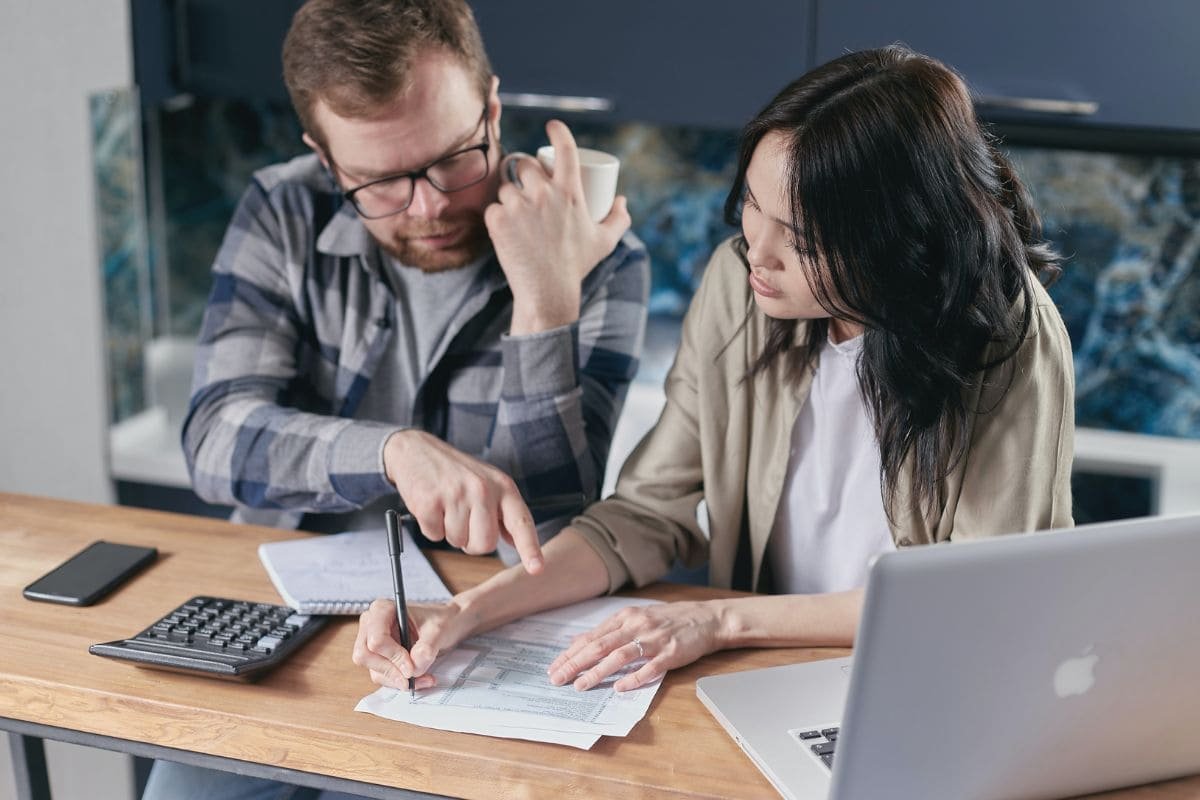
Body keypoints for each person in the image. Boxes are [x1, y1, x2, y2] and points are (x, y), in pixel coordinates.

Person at [353, 44, 1075, 697]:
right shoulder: (740, 286)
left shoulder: (1008, 336)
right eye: (753, 210)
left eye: (800, 240)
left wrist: (721, 622)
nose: (755, 253)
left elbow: (971, 599)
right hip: (763, 677)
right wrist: (467, 612)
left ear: (896, 239)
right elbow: (642, 514)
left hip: (926, 684)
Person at [181, 0, 650, 573]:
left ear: (493, 112)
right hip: (288, 588)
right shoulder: (285, 211)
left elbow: (551, 542)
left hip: (484, 612)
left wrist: (543, 308)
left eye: (453, 159)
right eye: (378, 181)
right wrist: (392, 453)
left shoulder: (602, 257)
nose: (431, 207)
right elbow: (213, 442)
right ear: (326, 161)